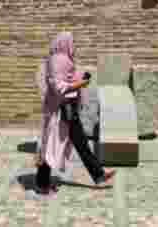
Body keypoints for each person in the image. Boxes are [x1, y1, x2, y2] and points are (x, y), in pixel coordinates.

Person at [34, 32, 116, 195]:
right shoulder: (58, 59)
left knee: (81, 143)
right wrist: (81, 83)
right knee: (52, 145)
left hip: (68, 110)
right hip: (60, 110)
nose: (74, 45)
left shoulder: (62, 59)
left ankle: (99, 174)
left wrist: (79, 80)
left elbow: (66, 79)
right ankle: (41, 184)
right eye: (71, 42)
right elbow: (59, 86)